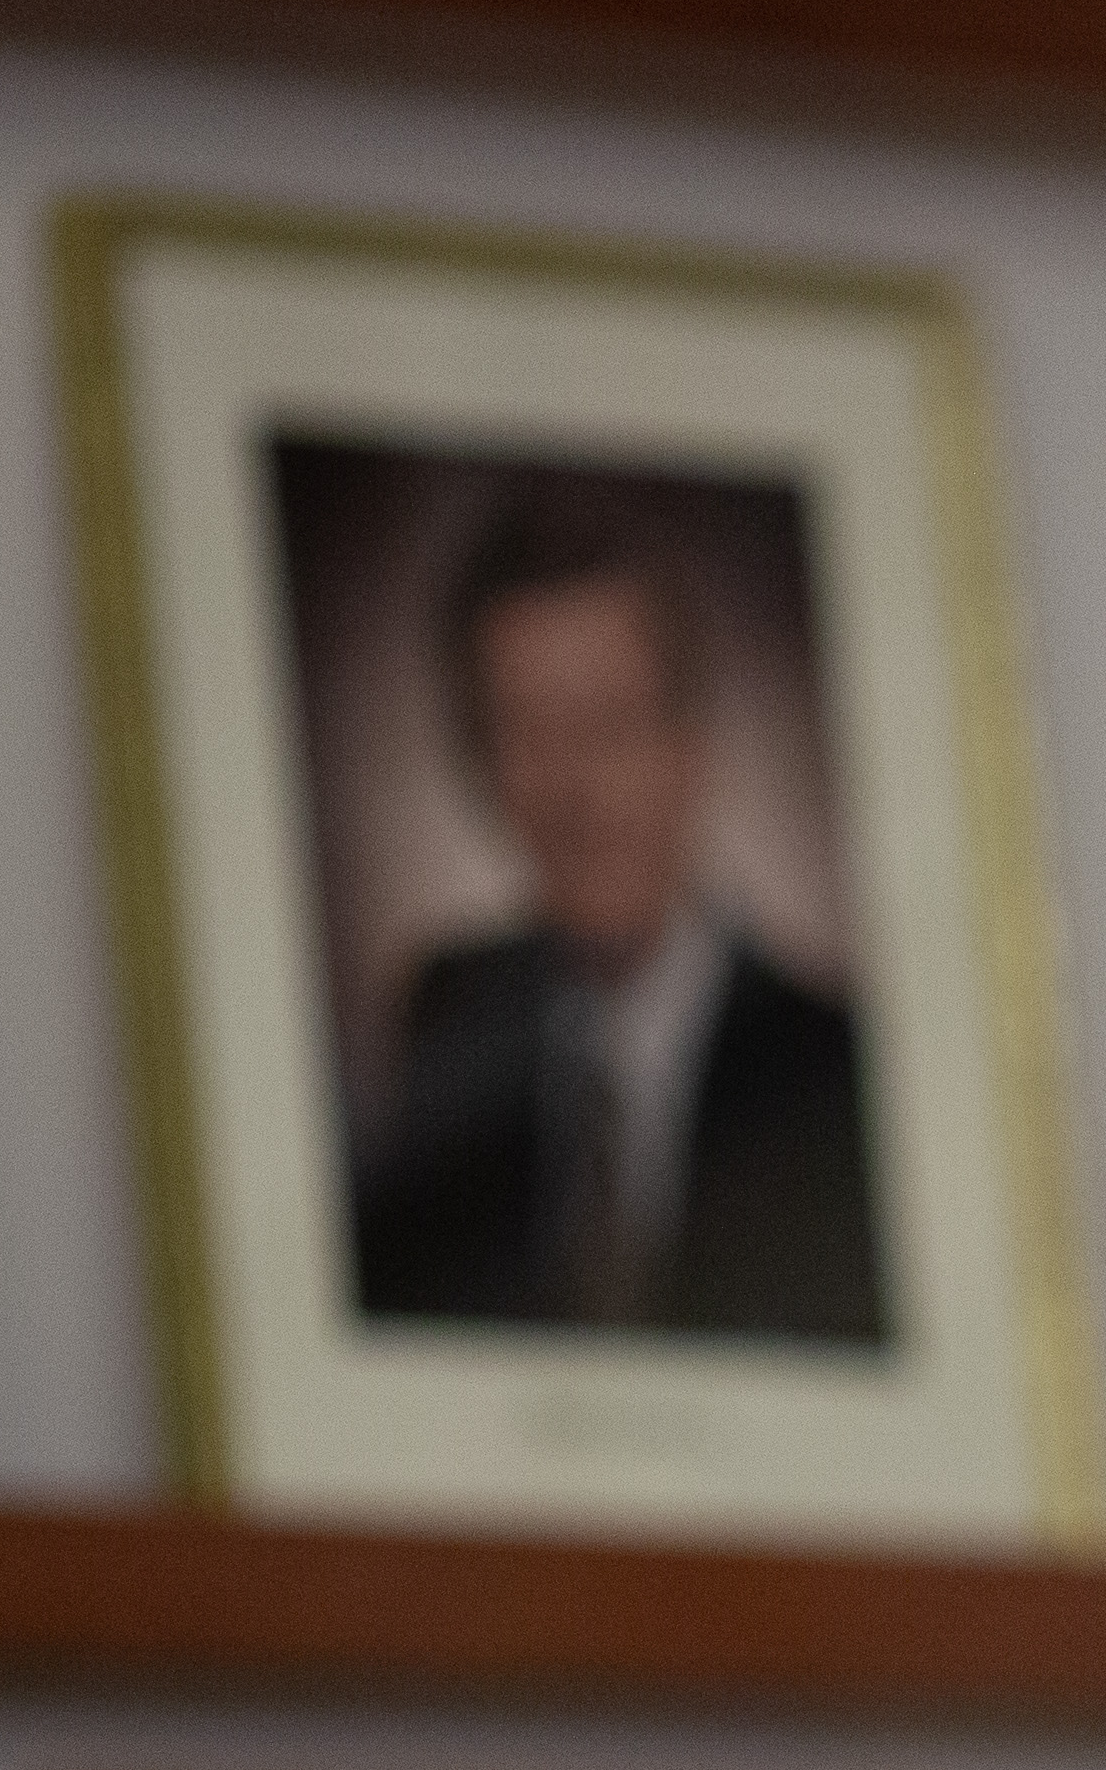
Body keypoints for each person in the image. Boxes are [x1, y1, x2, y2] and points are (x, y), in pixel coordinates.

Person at [347, 487, 888, 1343]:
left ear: (691, 745)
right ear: (482, 766)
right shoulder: (445, 1024)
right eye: (529, 733)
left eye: (608, 724)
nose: (577, 792)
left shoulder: (836, 1068)